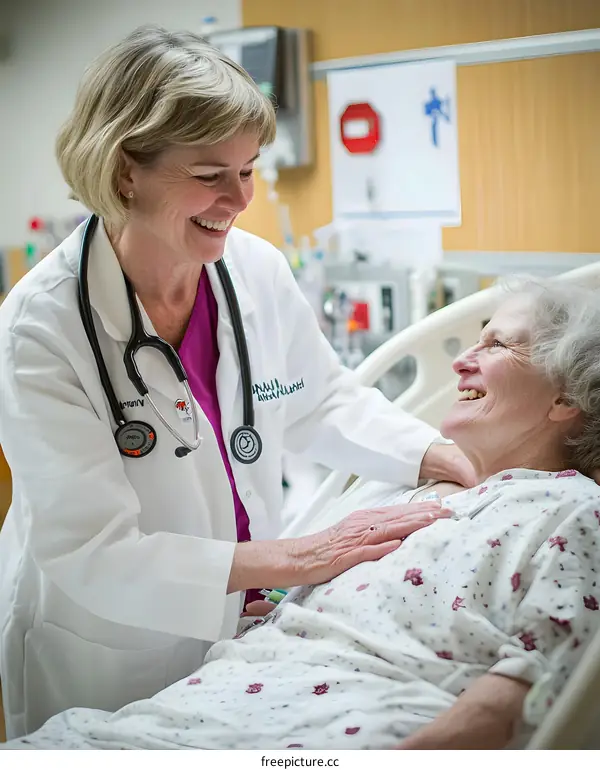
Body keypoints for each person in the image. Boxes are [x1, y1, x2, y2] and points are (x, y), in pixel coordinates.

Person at [0, 26, 472, 739]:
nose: (239, 197)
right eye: (210, 174)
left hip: (247, 623)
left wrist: (439, 455)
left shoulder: (253, 270)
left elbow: (321, 400)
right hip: (109, 646)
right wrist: (301, 557)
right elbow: (95, 554)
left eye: (249, 168)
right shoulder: (39, 330)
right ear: (128, 170)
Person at [4, 278, 600, 751]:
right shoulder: (397, 496)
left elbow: (513, 702)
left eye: (497, 344)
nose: (462, 360)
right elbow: (98, 548)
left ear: (567, 398)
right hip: (191, 712)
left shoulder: (572, 514)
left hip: (324, 730)